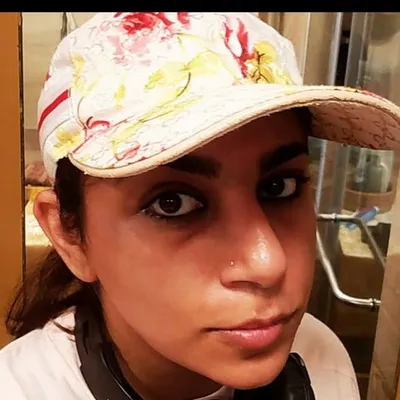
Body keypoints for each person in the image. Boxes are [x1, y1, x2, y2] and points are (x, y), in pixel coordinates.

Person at [1, 12, 400, 400]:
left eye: (279, 187)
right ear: (69, 236)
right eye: (172, 204)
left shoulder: (321, 359)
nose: (268, 264)